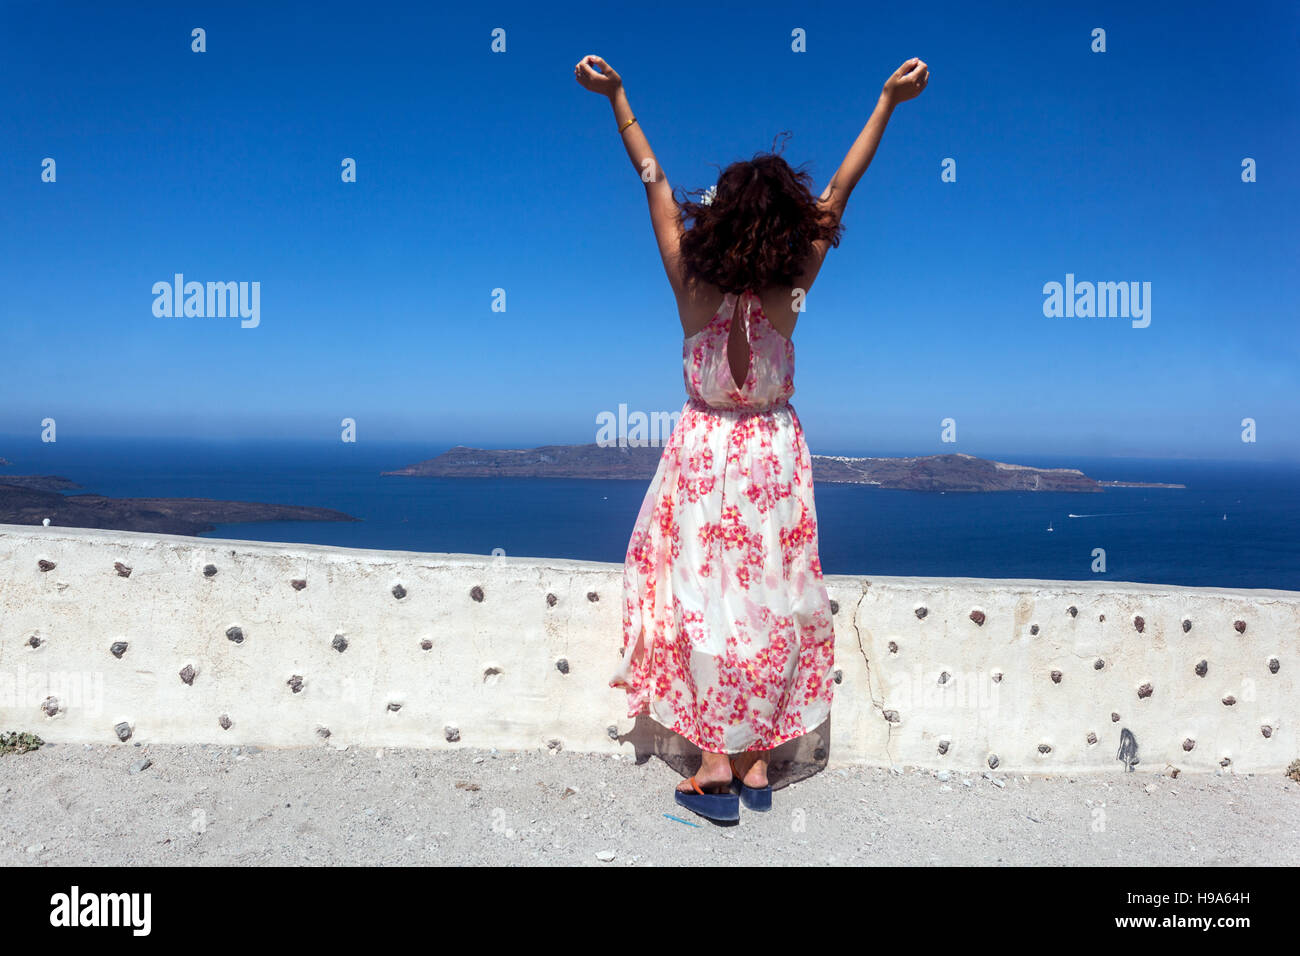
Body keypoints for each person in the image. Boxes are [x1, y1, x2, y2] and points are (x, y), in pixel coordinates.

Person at [575, 53, 929, 820]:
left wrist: (619, 98)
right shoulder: (790, 289)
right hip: (772, 452)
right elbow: (841, 189)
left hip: (704, 453)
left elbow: (655, 184)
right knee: (772, 599)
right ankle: (760, 765)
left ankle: (713, 767)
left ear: (723, 214)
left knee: (701, 600)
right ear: (783, 221)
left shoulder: (690, 284)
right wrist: (886, 102)